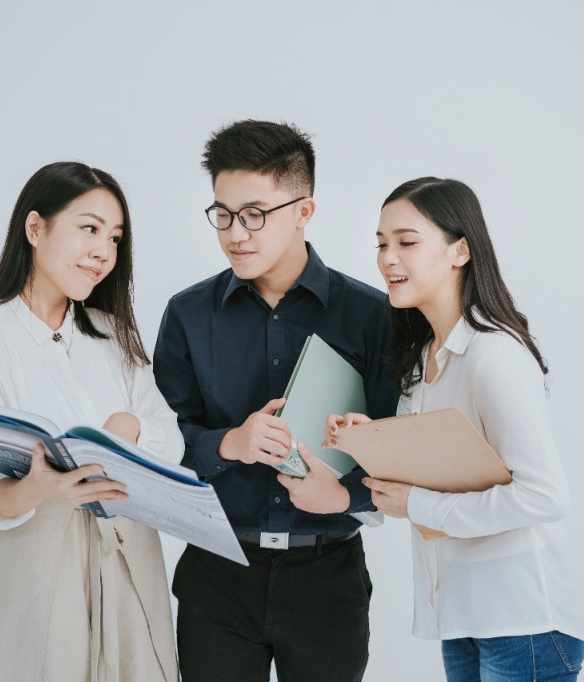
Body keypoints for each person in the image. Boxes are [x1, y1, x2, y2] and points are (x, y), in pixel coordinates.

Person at [152, 120, 397, 682]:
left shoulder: (371, 316)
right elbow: (160, 440)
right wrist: (229, 444)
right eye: (223, 213)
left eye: (255, 214)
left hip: (327, 578)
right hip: (218, 573)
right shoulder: (188, 315)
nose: (236, 233)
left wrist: (341, 495)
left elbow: (397, 447)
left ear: (303, 211)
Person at [324, 177, 584, 681]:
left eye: (406, 241)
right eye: (381, 244)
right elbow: (440, 468)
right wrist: (370, 436)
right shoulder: (423, 361)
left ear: (460, 250)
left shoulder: (494, 356)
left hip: (524, 624)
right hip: (464, 620)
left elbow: (545, 496)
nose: (387, 259)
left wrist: (417, 505)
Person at [0, 161, 181, 682]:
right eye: (90, 228)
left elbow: (173, 439)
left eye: (115, 237)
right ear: (35, 229)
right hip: (39, 566)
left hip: (128, 553)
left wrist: (132, 429)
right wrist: (42, 487)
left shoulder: (113, 332)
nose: (104, 251)